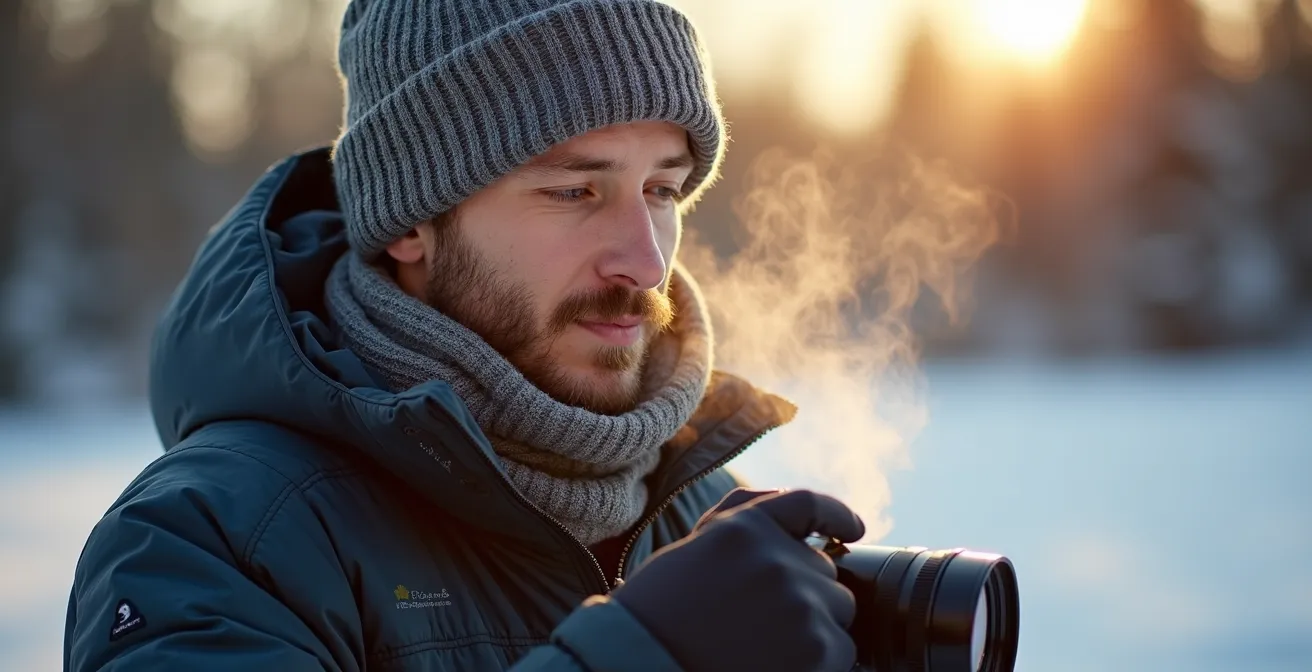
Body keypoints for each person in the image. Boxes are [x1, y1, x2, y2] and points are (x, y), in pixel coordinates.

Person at [63, 1, 865, 670]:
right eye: (575, 190)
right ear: (411, 222)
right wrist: (646, 655)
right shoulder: (218, 541)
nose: (646, 263)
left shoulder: (696, 503)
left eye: (662, 189)